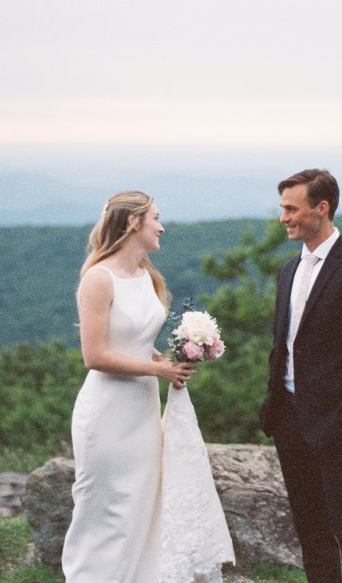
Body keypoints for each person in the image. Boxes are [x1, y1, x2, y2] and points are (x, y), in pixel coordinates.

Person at [61, 190, 233, 583]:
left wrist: (163, 357)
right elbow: (95, 356)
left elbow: (133, 339)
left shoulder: (146, 276)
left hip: (141, 411)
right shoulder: (98, 279)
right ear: (133, 223)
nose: (162, 225)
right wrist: (158, 373)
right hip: (107, 414)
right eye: (155, 217)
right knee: (105, 509)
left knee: (140, 506)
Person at [258, 169, 342, 583]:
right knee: (310, 531)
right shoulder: (287, 270)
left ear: (322, 208)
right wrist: (275, 407)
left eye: (291, 208)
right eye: (282, 208)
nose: (283, 217)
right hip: (289, 418)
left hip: (337, 422)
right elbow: (284, 344)